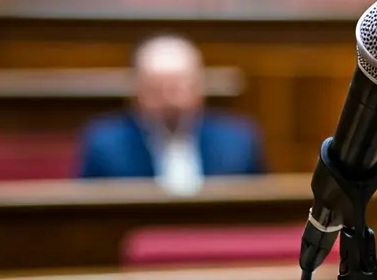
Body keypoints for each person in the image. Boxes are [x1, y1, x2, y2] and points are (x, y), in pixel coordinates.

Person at [77, 34, 265, 193]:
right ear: (138, 92)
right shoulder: (106, 145)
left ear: (199, 89)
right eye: (157, 90)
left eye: (177, 88)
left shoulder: (237, 140)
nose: (169, 101)